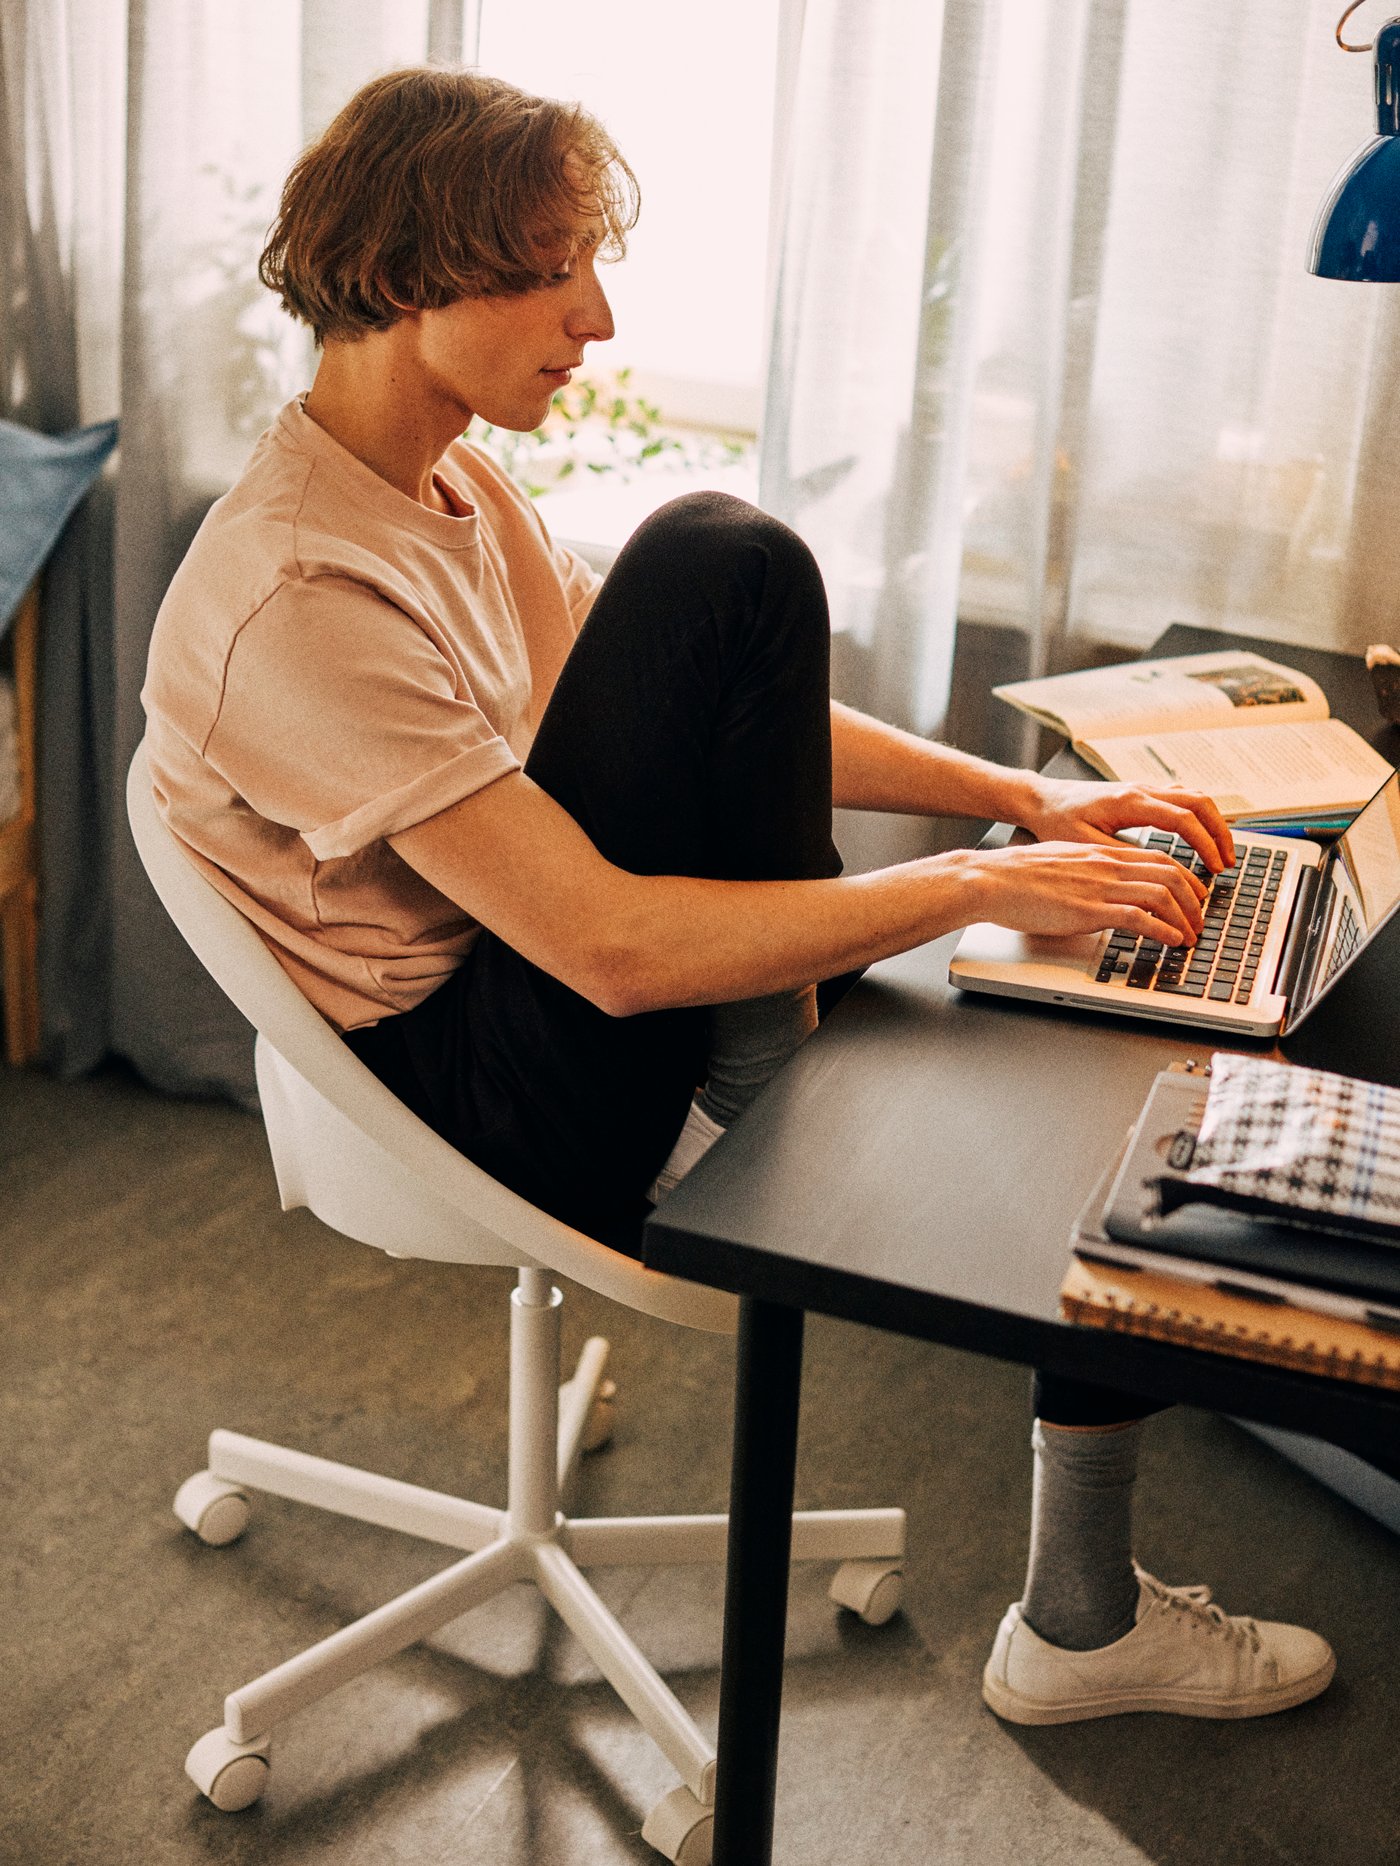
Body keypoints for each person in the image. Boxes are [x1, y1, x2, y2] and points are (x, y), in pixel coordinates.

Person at [141, 66, 1334, 1728]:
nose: (598, 317)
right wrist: (970, 887)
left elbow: (729, 705)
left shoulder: (453, 490)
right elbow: (618, 952)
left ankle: (1078, 1607)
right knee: (724, 552)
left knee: (737, 592)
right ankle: (784, 1100)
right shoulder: (296, 591)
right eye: (553, 271)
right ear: (418, 279)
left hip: (561, 989)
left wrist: (1018, 794)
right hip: (489, 1087)